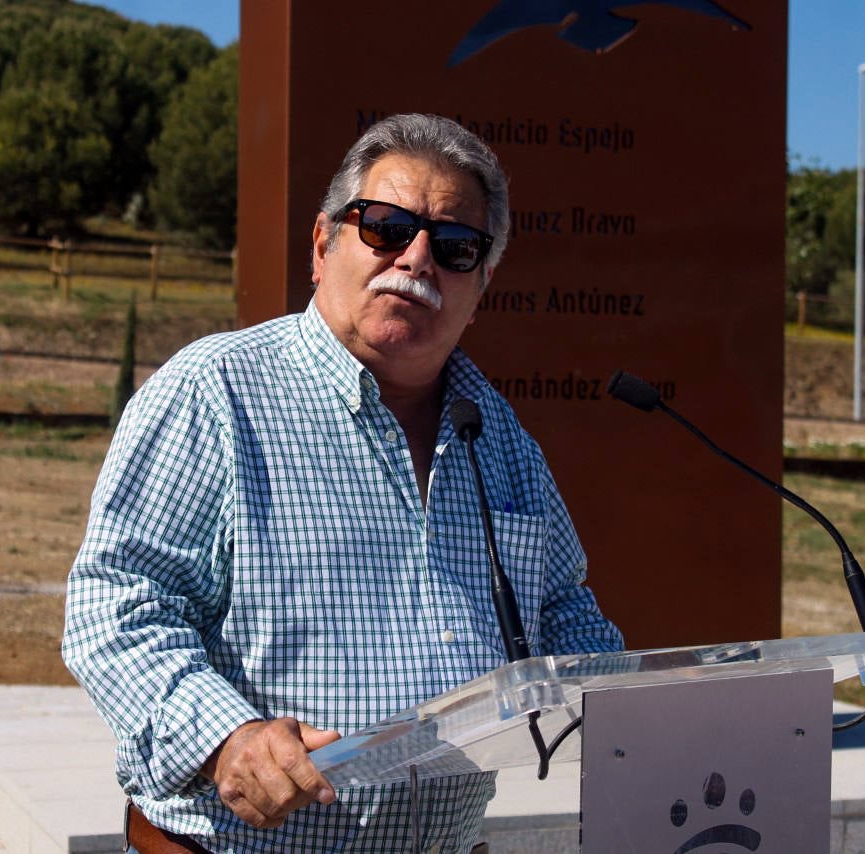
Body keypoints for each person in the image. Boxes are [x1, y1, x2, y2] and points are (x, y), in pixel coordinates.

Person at [62, 113, 623, 853]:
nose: (418, 259)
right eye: (387, 226)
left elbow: (562, 615)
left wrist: (664, 709)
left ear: (481, 285)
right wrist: (226, 736)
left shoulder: (497, 433)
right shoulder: (216, 391)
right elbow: (116, 605)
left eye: (455, 247)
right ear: (324, 245)